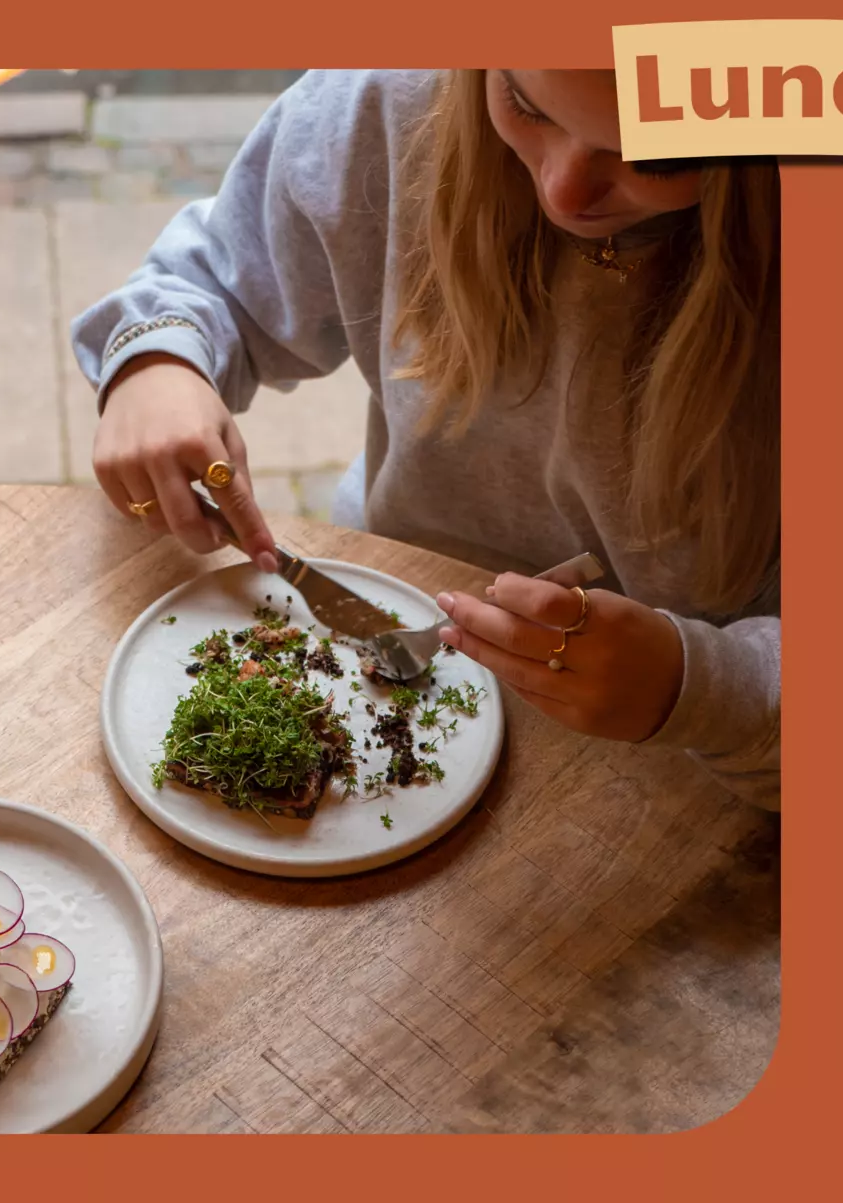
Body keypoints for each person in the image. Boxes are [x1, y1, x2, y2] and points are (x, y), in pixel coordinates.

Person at [71, 69, 780, 807]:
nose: (564, 193)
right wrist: (158, 361)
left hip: (689, 770)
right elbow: (214, 281)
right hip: (394, 604)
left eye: (661, 159)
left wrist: (706, 688)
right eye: (526, 106)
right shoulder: (396, 100)